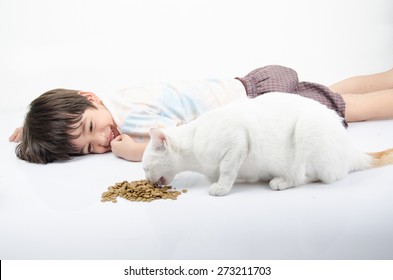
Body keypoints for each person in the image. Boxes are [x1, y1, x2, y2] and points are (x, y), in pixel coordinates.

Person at [8, 65, 393, 164]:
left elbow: (180, 140)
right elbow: (71, 117)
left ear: (88, 97)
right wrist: (33, 130)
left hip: (260, 104)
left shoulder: (131, 120)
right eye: (89, 149)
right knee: (332, 90)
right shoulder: (113, 98)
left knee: (347, 110)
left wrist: (137, 152)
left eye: (92, 129)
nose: (102, 140)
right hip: (252, 82)